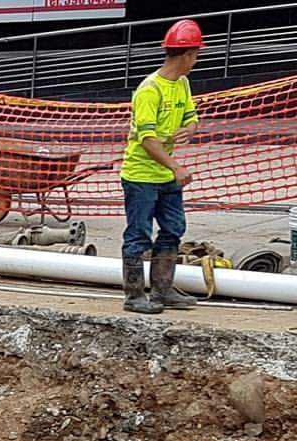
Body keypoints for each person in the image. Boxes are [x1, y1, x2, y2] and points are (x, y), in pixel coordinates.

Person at [119, 19, 203, 315]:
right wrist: (176, 167)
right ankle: (133, 295)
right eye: (195, 55)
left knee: (173, 228)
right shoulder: (149, 90)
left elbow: (191, 117)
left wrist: (189, 129)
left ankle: (162, 289)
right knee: (139, 234)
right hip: (141, 175)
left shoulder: (182, 84)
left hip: (165, 175)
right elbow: (147, 140)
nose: (196, 61)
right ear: (187, 55)